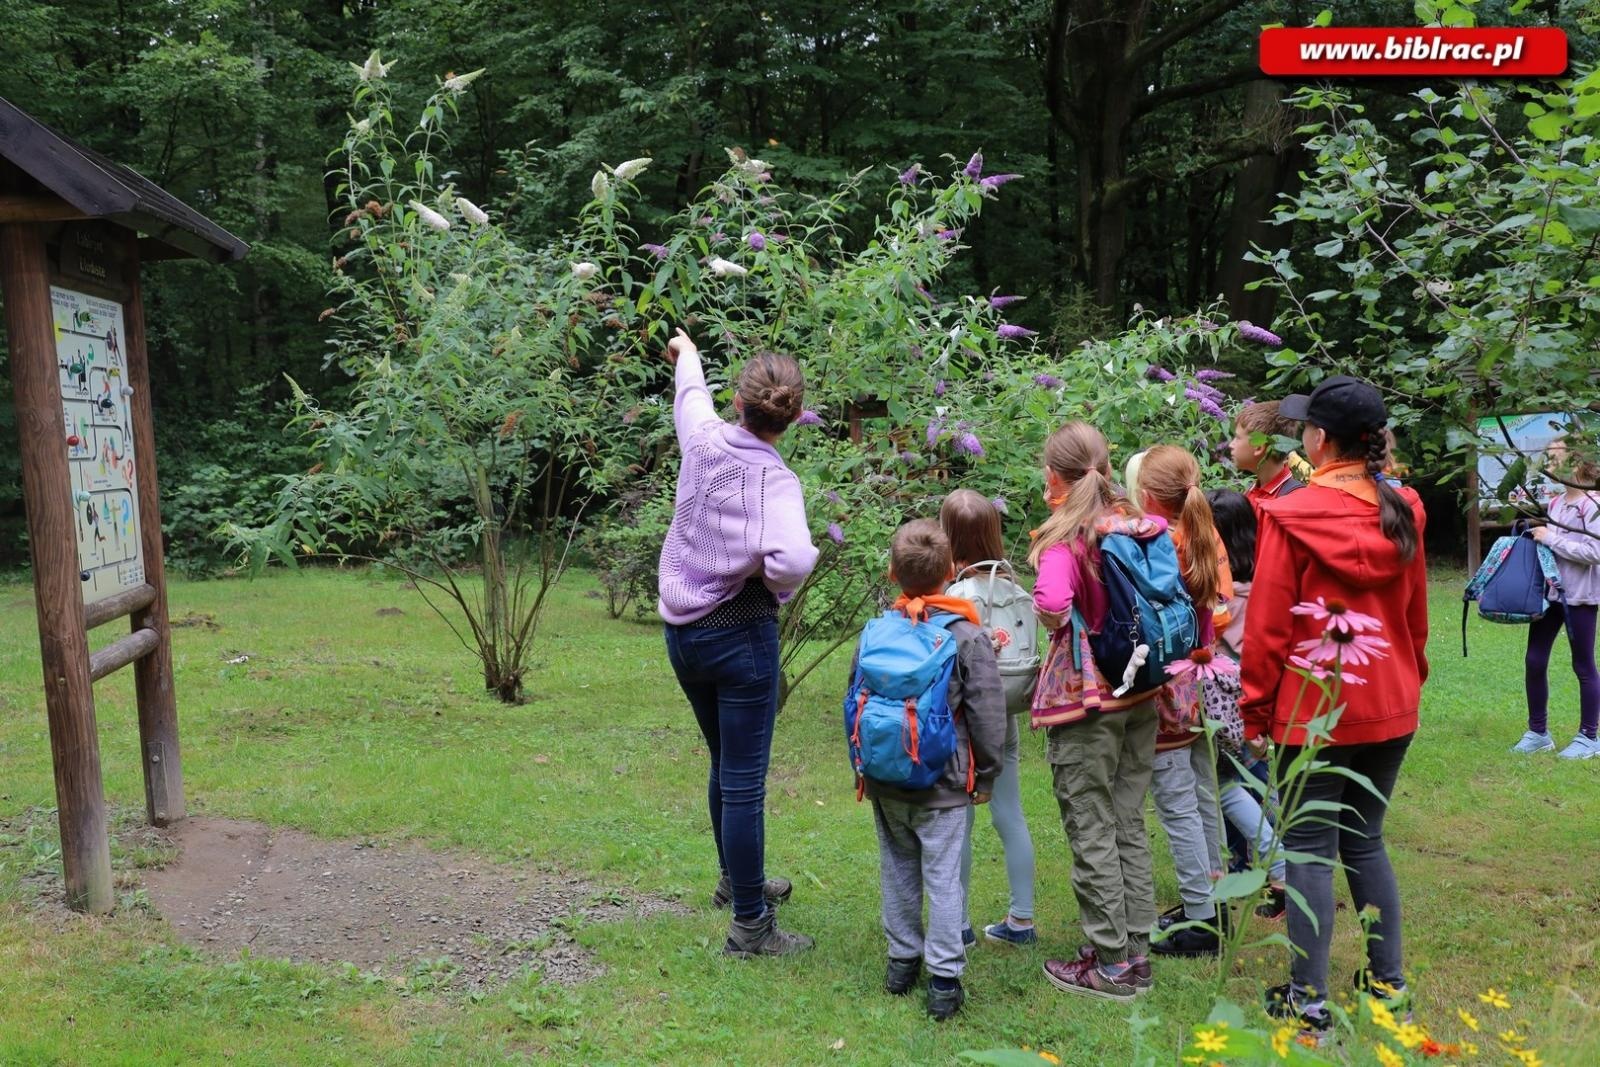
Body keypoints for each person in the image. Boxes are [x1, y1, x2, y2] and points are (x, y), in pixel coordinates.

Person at [1242, 375, 1429, 1040]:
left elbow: (1266, 627)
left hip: (1313, 706)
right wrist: (1411, 682)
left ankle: (1308, 1000)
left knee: (1309, 846)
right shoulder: (1402, 505)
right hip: (1390, 700)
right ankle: (1387, 986)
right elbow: (1414, 616)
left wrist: (1254, 714)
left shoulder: (1289, 514)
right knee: (1365, 837)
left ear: (1319, 439)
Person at [657, 328, 820, 957]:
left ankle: (736, 882)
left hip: (683, 635)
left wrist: (686, 352)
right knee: (744, 779)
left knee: (724, 763)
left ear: (739, 401)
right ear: (796, 415)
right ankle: (752, 925)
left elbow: (688, 394)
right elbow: (795, 558)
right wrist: (763, 574)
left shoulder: (701, 440)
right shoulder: (776, 482)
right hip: (739, 636)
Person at [1030, 422, 1166, 1001]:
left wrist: (1057, 620)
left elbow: (1054, 603)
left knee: (1090, 822)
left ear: (1053, 476)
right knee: (1127, 820)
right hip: (1144, 694)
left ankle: (1110, 963)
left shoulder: (1069, 536)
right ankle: (1136, 947)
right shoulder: (1136, 524)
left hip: (1093, 700)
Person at [863, 519, 1007, 1020]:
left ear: (891, 573)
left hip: (886, 778)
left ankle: (902, 962)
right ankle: (944, 981)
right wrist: (986, 775)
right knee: (943, 878)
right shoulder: (968, 635)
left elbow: (855, 700)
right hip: (943, 783)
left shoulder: (879, 630)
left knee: (897, 866)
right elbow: (989, 716)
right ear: (952, 570)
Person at [1130, 445, 1231, 958]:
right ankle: (1216, 899)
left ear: (1147, 495)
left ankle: (1200, 917)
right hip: (1199, 681)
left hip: (1167, 686)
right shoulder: (1202, 533)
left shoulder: (1155, 543)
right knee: (1203, 792)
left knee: (1176, 804)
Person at [941, 489, 1040, 946]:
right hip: (1004, 714)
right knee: (1010, 814)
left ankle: (958, 923)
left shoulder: (953, 597)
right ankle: (1022, 919)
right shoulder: (1016, 591)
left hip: (961, 722)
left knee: (958, 820)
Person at [1205, 488, 1287, 918]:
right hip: (1262, 695)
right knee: (1260, 780)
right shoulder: (1268, 579)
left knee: (1226, 786)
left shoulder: (1220, 592)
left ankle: (1279, 867)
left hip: (1225, 700)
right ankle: (1292, 856)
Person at [1514, 434, 1600, 759]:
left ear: (1577, 462)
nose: (1548, 464)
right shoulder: (1555, 504)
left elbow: (1594, 552)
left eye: (1554, 458)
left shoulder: (1593, 506)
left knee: (1583, 665)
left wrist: (1551, 538)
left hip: (1580, 597)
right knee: (1534, 660)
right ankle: (1538, 733)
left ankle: (1589, 737)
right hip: (1550, 596)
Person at [1229, 400, 1310, 508]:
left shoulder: (1290, 503)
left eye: (1238, 438)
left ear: (1259, 447)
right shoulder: (1252, 492)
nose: (1231, 444)